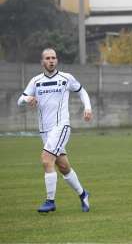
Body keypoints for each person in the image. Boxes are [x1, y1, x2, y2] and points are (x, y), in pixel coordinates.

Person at [17, 48, 92, 213]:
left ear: (56, 60)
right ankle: (83, 194)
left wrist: (87, 107)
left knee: (46, 159)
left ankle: (50, 201)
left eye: (53, 58)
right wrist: (27, 98)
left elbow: (82, 91)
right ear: (42, 62)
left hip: (61, 126)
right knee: (63, 166)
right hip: (44, 130)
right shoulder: (36, 81)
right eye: (47, 58)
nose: (51, 60)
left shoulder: (66, 78)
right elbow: (19, 100)